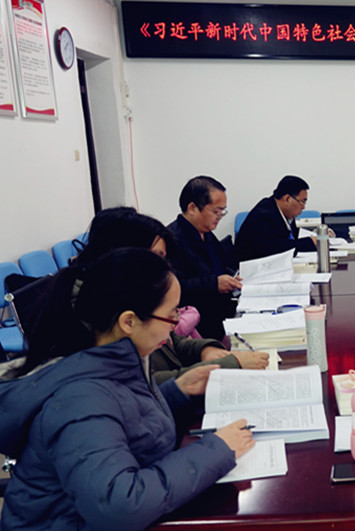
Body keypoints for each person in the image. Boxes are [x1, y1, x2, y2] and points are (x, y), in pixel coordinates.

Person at [0, 249, 254, 530]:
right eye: (171, 316)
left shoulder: (117, 359)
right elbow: (120, 505)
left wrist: (176, 393)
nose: (174, 328)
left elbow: (121, 419)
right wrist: (218, 450)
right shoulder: (80, 399)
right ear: (129, 322)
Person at [74, 207, 269, 383]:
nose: (163, 268)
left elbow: (168, 340)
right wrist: (227, 365)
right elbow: (142, 383)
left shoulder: (131, 289)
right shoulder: (92, 307)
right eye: (156, 257)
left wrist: (204, 349)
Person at [167, 176, 240, 340]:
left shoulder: (206, 233)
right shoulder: (172, 240)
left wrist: (232, 276)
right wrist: (214, 283)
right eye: (216, 211)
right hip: (198, 327)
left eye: (223, 211)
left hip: (221, 316)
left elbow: (216, 266)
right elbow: (175, 287)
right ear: (192, 208)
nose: (220, 216)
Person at [236, 175, 318, 262]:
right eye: (302, 202)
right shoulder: (264, 216)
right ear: (287, 199)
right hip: (251, 267)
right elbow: (277, 248)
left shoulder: (284, 212)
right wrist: (309, 242)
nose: (303, 207)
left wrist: (315, 236)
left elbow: (292, 235)